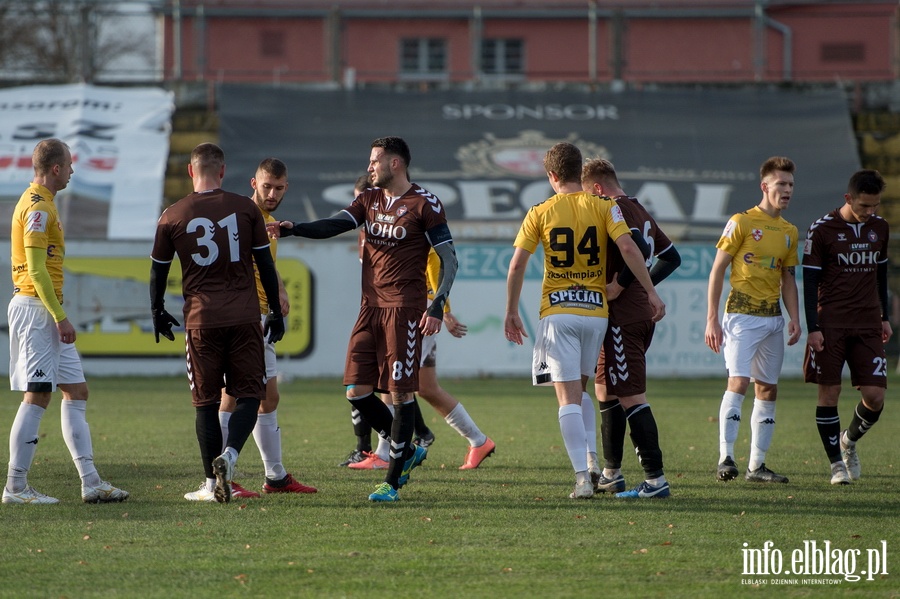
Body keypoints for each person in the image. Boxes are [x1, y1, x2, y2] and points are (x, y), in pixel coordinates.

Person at [271, 136, 458, 502]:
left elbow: (449, 259)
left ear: (395, 164)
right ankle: (408, 450)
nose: (369, 166)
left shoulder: (425, 204)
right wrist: (294, 228)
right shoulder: (368, 200)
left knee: (401, 393)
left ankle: (391, 482)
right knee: (356, 390)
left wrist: (437, 305)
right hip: (370, 307)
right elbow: (334, 225)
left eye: (374, 161)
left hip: (405, 309)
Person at [504, 142, 665, 500]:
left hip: (558, 313)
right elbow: (628, 248)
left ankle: (582, 477)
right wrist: (651, 291)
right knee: (582, 390)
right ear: (580, 173)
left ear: (552, 176)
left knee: (568, 400)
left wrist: (512, 310)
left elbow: (517, 264)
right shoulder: (605, 205)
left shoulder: (540, 211)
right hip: (596, 315)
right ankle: (594, 461)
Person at [150, 142, 285, 504]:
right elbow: (266, 267)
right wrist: (273, 310)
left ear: (190, 172)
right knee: (249, 395)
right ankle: (231, 456)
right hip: (243, 317)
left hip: (201, 321)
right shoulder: (246, 209)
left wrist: (156, 310)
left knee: (206, 403)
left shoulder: (172, 214)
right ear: (223, 172)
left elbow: (158, 271)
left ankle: (211, 485)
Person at [4, 138, 129, 505]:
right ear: (56, 168)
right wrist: (60, 317)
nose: (73, 171)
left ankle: (90, 482)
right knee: (38, 394)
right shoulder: (38, 207)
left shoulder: (43, 204)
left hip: (45, 309)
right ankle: (15, 487)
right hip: (37, 309)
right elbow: (36, 269)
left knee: (76, 391)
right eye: (70, 165)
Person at [581, 158, 681, 499]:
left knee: (630, 395)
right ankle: (612, 472)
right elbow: (672, 257)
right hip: (628, 316)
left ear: (596, 187)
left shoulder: (614, 208)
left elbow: (634, 246)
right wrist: (643, 285)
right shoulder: (641, 208)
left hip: (624, 316)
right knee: (606, 389)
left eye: (587, 193)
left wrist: (623, 286)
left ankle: (655, 480)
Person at [219, 158, 317, 498]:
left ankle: (275, 477)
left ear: (286, 187)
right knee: (233, 395)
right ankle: (220, 477)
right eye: (266, 186)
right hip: (244, 318)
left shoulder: (270, 223)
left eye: (278, 188)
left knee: (268, 397)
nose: (272, 193)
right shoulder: (242, 218)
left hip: (261, 315)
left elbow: (266, 264)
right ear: (253, 183)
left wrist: (280, 290)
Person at [705, 156, 801, 484]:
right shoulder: (742, 222)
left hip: (773, 319)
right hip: (741, 316)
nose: (787, 190)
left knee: (769, 388)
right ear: (765, 187)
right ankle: (726, 457)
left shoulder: (790, 231)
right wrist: (712, 319)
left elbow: (788, 278)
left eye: (790, 185)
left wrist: (794, 318)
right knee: (739, 382)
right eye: (781, 185)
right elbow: (717, 270)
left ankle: (757, 466)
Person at [802, 169, 891, 485]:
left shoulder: (880, 228)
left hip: (867, 323)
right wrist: (813, 327)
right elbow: (809, 282)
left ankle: (848, 441)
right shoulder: (822, 230)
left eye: (875, 206)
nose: (870, 212)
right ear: (848, 198)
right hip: (831, 324)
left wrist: (885, 317)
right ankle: (836, 465)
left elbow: (880, 275)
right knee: (830, 392)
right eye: (864, 206)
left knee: (875, 395)